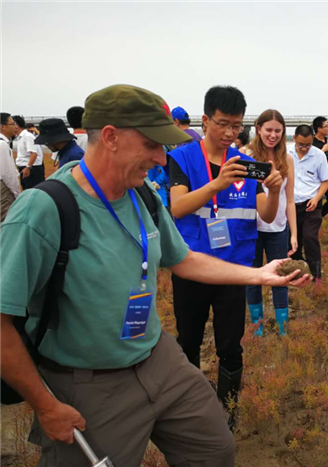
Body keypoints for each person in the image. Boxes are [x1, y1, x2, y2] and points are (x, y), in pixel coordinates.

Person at [0, 84, 309, 467]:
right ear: (110, 137)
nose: (162, 159)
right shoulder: (45, 209)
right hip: (88, 379)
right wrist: (45, 406)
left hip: (157, 356)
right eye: (151, 145)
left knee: (215, 450)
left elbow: (184, 259)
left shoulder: (143, 195)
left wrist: (259, 275)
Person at [168, 86, 283, 424]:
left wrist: (274, 192)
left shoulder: (248, 165)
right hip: (191, 267)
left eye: (236, 125)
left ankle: (228, 410)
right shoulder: (182, 159)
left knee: (230, 345)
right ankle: (190, 408)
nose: (230, 133)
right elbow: (177, 207)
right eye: (223, 124)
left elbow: (265, 214)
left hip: (234, 269)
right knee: (188, 341)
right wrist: (216, 185)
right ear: (205, 120)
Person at [243, 110, 297, 336]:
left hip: (278, 228)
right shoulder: (245, 155)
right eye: (268, 130)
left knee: (280, 277)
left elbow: (290, 200)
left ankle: (283, 327)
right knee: (252, 277)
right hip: (250, 228)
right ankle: (257, 326)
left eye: (278, 131)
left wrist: (294, 234)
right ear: (258, 129)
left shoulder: (287, 159)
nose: (273, 135)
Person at [289, 124, 328, 279]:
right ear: (294, 138)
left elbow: (325, 181)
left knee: (310, 237)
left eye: (308, 145)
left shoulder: (318, 155)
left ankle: (316, 275)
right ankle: (296, 270)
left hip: (311, 204)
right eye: (301, 144)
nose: (304, 148)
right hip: (291, 205)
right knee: (292, 240)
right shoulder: (286, 153)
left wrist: (316, 198)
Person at [312, 116, 328, 217]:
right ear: (319, 129)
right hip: (314, 176)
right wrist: (323, 150)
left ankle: (318, 217)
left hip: (327, 174)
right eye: (326, 126)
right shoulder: (312, 142)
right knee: (315, 199)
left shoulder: (327, 141)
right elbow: (311, 160)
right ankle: (313, 219)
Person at [13, 115, 45, 189]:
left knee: (32, 191)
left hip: (31, 169)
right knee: (26, 190)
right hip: (26, 168)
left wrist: (28, 167)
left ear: (16, 125)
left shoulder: (27, 136)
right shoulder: (20, 137)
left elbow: (34, 153)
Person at [0, 113, 20, 224]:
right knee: (6, 221)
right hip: (4, 188)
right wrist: (17, 193)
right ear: (2, 126)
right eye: (12, 124)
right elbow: (8, 174)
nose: (15, 127)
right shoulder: (2, 145)